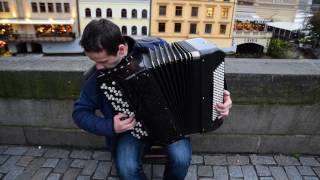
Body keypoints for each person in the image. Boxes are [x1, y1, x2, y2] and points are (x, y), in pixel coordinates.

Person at [72, 18, 232, 180]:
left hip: (171, 123)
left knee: (181, 159)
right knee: (127, 169)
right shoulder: (96, 78)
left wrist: (220, 97)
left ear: (121, 49)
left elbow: (198, 75)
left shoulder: (156, 47)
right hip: (131, 130)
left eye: (103, 61)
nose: (98, 67)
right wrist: (111, 126)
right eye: (93, 61)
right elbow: (79, 113)